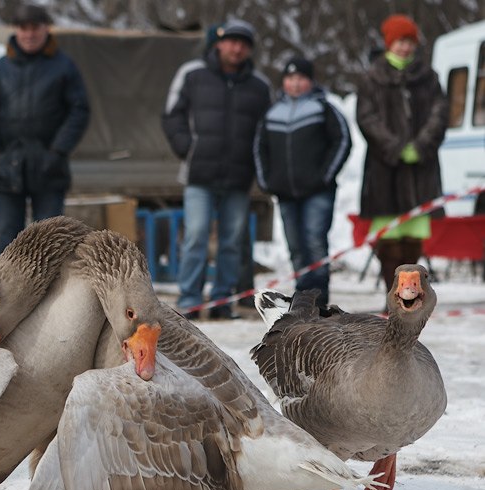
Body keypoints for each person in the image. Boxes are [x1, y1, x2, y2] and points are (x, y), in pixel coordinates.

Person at [161, 19, 271, 320]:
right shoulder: (192, 73)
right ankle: (190, 301)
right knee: (196, 235)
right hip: (199, 173)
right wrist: (187, 148)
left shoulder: (260, 86)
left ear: (249, 50)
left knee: (232, 241)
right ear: (218, 43)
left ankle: (223, 300)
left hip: (239, 176)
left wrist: (259, 168)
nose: (236, 48)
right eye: (231, 41)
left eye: (243, 44)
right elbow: (172, 115)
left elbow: (267, 130)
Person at [0, 4, 90, 253]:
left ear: (46, 29)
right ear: (16, 31)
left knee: (50, 239)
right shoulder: (0, 68)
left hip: (49, 166)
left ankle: (51, 292)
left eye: (35, 28)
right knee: (8, 238)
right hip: (7, 167)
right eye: (23, 28)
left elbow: (79, 110)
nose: (29, 34)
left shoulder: (64, 67)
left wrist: (58, 150)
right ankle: (8, 293)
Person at [356, 14, 448, 296]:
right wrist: (395, 147)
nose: (405, 47)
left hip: (420, 170)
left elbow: (439, 113)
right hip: (385, 170)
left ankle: (410, 293)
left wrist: (419, 146)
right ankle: (391, 295)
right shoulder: (372, 77)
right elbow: (367, 118)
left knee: (412, 238)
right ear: (389, 43)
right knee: (389, 239)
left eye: (409, 42)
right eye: (400, 41)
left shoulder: (428, 77)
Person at [254, 55, 352, 306]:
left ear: (310, 81)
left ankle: (319, 298)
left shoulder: (323, 109)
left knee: (314, 241)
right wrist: (267, 181)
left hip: (317, 192)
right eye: (290, 79)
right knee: (295, 246)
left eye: (301, 79)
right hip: (286, 193)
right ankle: (303, 298)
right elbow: (259, 148)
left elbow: (342, 141)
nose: (295, 84)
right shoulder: (272, 113)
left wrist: (324, 176)